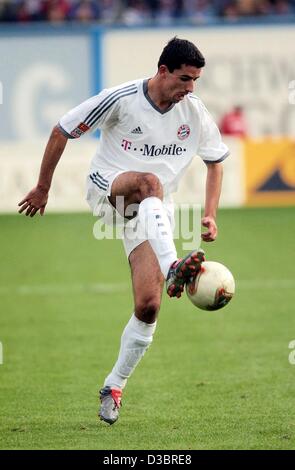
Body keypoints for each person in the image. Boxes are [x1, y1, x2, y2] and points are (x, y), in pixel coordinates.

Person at [18, 37, 229, 425]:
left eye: (196, 80)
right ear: (163, 70)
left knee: (148, 308)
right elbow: (62, 129)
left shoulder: (194, 113)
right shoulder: (121, 98)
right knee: (149, 182)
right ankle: (173, 268)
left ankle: (114, 385)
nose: (190, 89)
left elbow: (215, 162)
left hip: (153, 213)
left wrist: (210, 214)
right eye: (184, 79)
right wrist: (43, 187)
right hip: (109, 189)